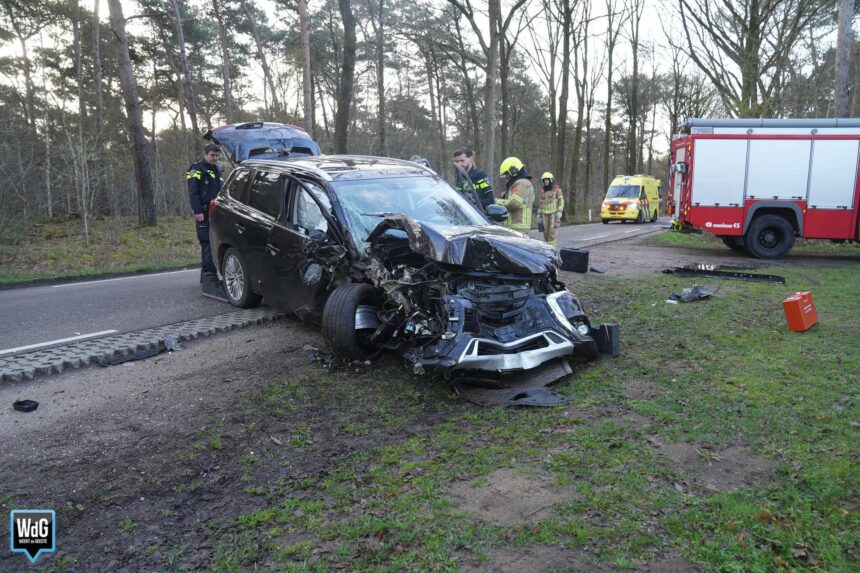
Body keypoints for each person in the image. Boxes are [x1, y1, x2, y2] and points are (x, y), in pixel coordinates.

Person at [187, 143, 223, 293]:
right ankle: (208, 277)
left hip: (216, 211)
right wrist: (197, 210)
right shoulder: (196, 169)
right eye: (212, 155)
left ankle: (208, 277)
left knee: (215, 243)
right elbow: (193, 191)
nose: (214, 158)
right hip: (203, 211)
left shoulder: (217, 170)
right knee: (207, 243)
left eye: (217, 155)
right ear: (205, 154)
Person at [496, 157, 534, 232]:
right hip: (514, 226)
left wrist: (496, 201)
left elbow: (514, 203)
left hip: (518, 226)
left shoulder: (522, 183)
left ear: (513, 171)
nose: (507, 178)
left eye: (507, 174)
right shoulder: (519, 183)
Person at [452, 147, 494, 212]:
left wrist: (473, 202)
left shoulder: (480, 175)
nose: (459, 164)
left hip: (480, 214)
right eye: (457, 161)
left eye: (462, 160)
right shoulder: (459, 178)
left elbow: (490, 200)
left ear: (470, 159)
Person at [538, 171, 564, 247]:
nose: (546, 181)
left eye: (547, 179)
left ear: (551, 180)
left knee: (552, 232)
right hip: (544, 214)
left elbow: (561, 200)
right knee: (545, 232)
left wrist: (560, 211)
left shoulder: (557, 189)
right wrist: (539, 213)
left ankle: (552, 248)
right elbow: (541, 203)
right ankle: (546, 248)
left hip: (554, 213)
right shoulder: (543, 191)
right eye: (544, 180)